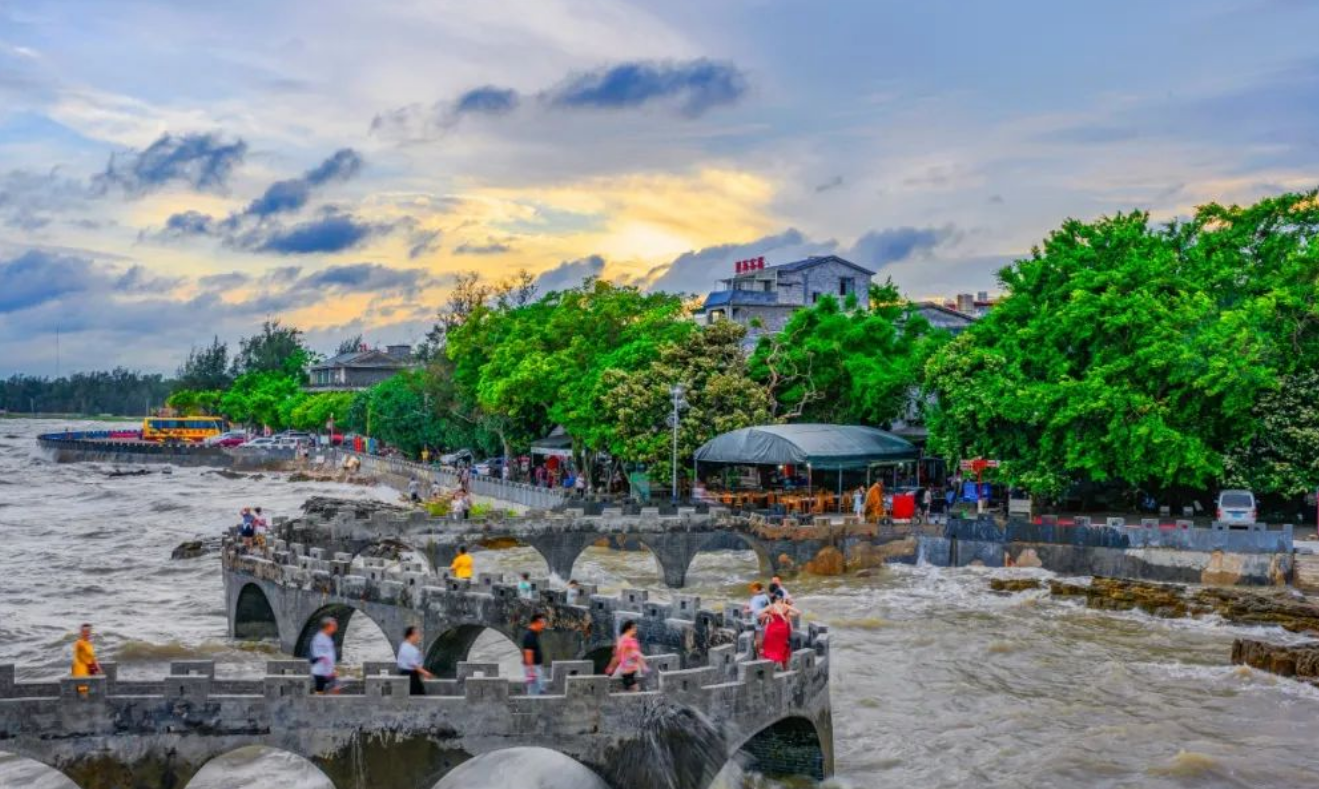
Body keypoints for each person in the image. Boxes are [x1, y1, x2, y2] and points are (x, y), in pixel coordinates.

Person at [758, 596, 801, 669]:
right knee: (782, 647)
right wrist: (788, 615)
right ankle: (784, 667)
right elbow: (798, 612)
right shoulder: (785, 606)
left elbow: (759, 613)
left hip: (772, 630)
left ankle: (769, 667)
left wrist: (769, 616)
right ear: (781, 599)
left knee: (770, 648)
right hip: (782, 630)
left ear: (774, 599)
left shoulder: (771, 606)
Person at [605, 620, 648, 692]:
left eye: (635, 628)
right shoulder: (623, 640)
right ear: (628, 629)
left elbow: (636, 654)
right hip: (626, 668)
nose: (635, 629)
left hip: (633, 668)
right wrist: (610, 667)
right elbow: (617, 656)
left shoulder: (633, 640)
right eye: (633, 628)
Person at [396, 626, 434, 696]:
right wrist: (425, 673)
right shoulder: (407, 647)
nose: (418, 636)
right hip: (410, 676)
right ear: (411, 635)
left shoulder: (405, 646)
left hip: (412, 675)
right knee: (417, 696)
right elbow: (413, 664)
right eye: (416, 634)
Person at [310, 617, 341, 694]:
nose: (336, 628)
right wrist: (329, 671)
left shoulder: (327, 637)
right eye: (333, 626)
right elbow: (321, 657)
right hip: (321, 671)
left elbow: (329, 655)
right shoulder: (319, 638)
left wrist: (332, 669)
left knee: (336, 687)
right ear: (328, 626)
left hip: (326, 671)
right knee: (321, 690)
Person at [71, 623, 101, 694]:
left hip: (89, 668)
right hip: (80, 668)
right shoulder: (79, 643)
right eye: (84, 631)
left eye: (88, 631)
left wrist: (98, 668)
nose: (87, 633)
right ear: (81, 632)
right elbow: (79, 657)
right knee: (83, 691)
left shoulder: (89, 643)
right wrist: (91, 666)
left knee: (88, 691)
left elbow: (92, 657)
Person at [522, 614, 547, 696]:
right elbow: (528, 654)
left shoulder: (534, 635)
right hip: (533, 668)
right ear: (537, 622)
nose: (544, 625)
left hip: (536, 667)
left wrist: (540, 665)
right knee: (534, 693)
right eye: (543, 623)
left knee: (540, 690)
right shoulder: (529, 636)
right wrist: (531, 672)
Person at [744, 582, 772, 655]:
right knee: (761, 634)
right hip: (764, 618)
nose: (752, 590)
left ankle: (759, 651)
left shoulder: (756, 597)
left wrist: (747, 610)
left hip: (757, 618)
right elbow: (769, 606)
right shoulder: (765, 596)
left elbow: (754, 609)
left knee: (758, 636)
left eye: (753, 589)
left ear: (756, 588)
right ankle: (761, 649)